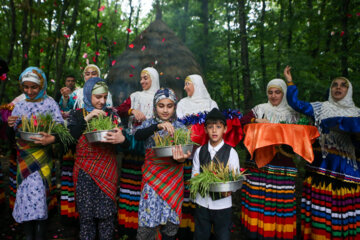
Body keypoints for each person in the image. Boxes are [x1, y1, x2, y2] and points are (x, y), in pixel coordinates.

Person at [284, 66, 360, 240]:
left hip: (348, 172)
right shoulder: (320, 108)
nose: (338, 88)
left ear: (349, 91)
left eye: (343, 85)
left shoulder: (357, 114)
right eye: (335, 85)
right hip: (321, 168)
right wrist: (290, 81)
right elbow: (296, 104)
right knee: (320, 210)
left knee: (345, 211)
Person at [68, 77, 129, 240]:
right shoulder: (77, 114)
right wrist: (88, 118)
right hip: (84, 172)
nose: (102, 101)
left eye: (105, 96)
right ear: (88, 95)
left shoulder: (112, 115)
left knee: (106, 218)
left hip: (107, 171)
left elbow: (125, 142)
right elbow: (69, 140)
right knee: (86, 218)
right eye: (98, 97)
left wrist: (123, 140)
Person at [7, 67, 64, 240]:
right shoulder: (20, 104)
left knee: (40, 195)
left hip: (43, 158)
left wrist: (51, 138)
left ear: (42, 86)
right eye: (26, 87)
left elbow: (61, 131)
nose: (29, 91)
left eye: (34, 87)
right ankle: (27, 235)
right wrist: (10, 124)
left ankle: (39, 234)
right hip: (24, 157)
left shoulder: (50, 103)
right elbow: (13, 134)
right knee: (25, 195)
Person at [240, 77, 300, 240]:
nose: (273, 96)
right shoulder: (260, 109)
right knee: (259, 201)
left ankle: (279, 233)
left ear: (283, 93)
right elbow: (241, 121)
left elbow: (299, 137)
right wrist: (256, 120)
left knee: (280, 201)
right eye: (270, 92)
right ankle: (257, 232)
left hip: (283, 165)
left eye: (277, 92)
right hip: (259, 164)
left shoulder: (292, 114)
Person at [134, 88, 191, 240]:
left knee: (171, 223)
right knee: (148, 222)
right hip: (152, 179)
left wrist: (181, 159)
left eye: (169, 106)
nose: (165, 110)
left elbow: (184, 154)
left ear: (175, 107)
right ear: (155, 106)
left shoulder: (180, 127)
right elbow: (138, 135)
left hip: (173, 178)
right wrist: (157, 127)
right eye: (161, 106)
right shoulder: (149, 123)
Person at [116, 67, 160, 235]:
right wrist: (131, 110)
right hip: (134, 145)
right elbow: (118, 110)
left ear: (153, 79)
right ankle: (127, 225)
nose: (142, 81)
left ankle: (146, 226)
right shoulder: (135, 96)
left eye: (146, 78)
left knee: (145, 185)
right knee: (129, 183)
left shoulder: (159, 98)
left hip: (151, 146)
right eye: (141, 78)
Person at [176, 74, 219, 236]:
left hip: (208, 157)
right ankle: (186, 229)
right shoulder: (182, 104)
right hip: (187, 156)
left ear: (197, 84)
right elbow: (179, 126)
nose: (185, 87)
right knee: (188, 191)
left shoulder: (211, 103)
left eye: (188, 84)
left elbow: (217, 127)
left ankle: (207, 229)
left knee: (206, 190)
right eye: (185, 84)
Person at [191, 108, 240, 240]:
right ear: (205, 129)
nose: (214, 130)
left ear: (225, 129)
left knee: (222, 236)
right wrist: (200, 181)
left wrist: (229, 189)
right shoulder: (199, 151)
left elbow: (235, 180)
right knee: (201, 236)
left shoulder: (231, 153)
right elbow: (194, 175)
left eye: (218, 127)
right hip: (202, 203)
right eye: (210, 127)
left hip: (223, 206)